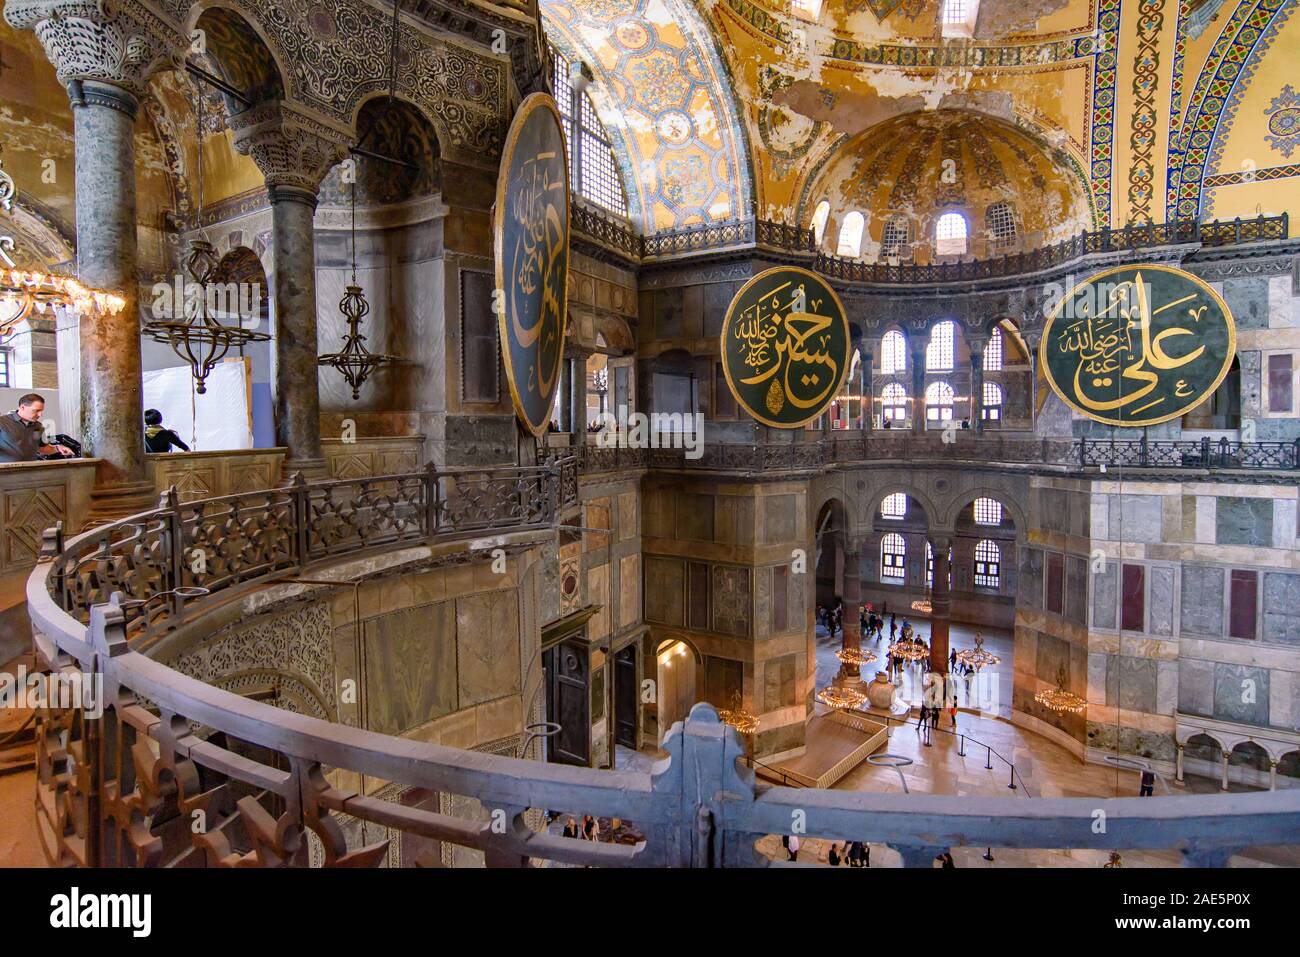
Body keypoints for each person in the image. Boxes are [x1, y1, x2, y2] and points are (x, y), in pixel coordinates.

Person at [0, 394, 73, 463]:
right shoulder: (2, 422)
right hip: (5, 472)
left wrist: (58, 448)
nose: (40, 414)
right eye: (36, 410)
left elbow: (41, 448)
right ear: (22, 407)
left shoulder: (38, 427)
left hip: (30, 471)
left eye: (41, 411)